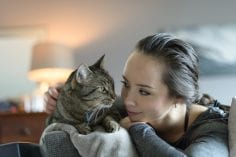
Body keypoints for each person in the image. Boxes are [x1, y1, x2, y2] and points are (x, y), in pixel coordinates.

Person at [44, 33, 229, 157]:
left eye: (144, 91)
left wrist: (139, 130)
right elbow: (89, 103)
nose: (128, 99)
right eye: (125, 84)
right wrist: (60, 99)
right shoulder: (132, 106)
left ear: (177, 97)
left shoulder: (213, 130)